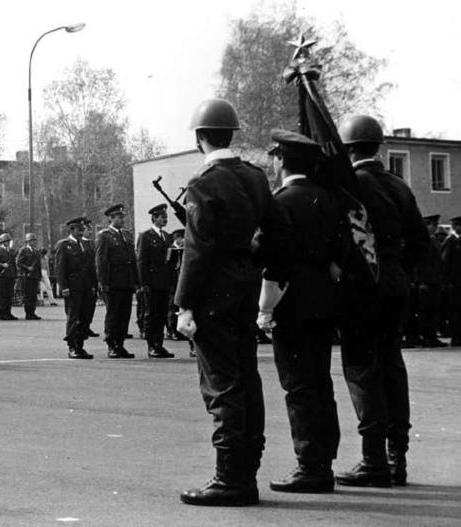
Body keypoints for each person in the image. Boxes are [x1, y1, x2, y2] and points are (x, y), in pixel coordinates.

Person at [175, 99, 289, 506]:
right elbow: (276, 234)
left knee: (222, 387)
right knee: (247, 381)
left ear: (199, 137)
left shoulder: (203, 183)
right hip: (245, 290)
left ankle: (229, 479)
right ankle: (246, 474)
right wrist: (252, 266)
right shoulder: (256, 178)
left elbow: (197, 249)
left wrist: (184, 304)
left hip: (213, 296)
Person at [335, 115, 427, 488]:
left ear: (346, 147)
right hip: (394, 282)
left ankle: (373, 459)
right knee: (392, 366)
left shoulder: (348, 185)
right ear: (378, 145)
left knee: (361, 369)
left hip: (361, 285)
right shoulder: (399, 185)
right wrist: (396, 269)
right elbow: (419, 241)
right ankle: (396, 458)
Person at [258, 129, 344, 493]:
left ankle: (311, 466)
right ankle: (324, 457)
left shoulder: (281, 202)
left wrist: (265, 308)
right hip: (325, 300)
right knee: (320, 381)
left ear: (280, 160)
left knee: (298, 386)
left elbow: (271, 258)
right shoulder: (328, 198)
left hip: (291, 303)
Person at [95, 204, 138, 359]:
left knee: (124, 314)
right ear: (110, 218)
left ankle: (120, 344)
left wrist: (135, 280)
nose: (122, 219)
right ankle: (112, 344)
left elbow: (131, 259)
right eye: (118, 217)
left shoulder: (126, 235)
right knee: (113, 314)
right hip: (113, 282)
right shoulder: (104, 236)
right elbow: (101, 261)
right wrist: (103, 282)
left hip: (126, 281)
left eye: (122, 217)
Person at [55, 217, 97, 359]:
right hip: (73, 287)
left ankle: (80, 345)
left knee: (85, 317)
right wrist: (63, 287)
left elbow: (91, 267)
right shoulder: (64, 245)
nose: (81, 233)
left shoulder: (86, 245)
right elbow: (60, 268)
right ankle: (72, 346)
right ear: (71, 230)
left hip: (86, 285)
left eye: (82, 230)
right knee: (74, 317)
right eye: (79, 230)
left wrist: (93, 285)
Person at [137, 204, 175, 358]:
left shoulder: (166, 236)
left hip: (163, 281)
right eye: (162, 217)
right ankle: (151, 345)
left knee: (161, 314)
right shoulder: (146, 236)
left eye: (165, 217)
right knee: (151, 314)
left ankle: (159, 344)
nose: (165, 220)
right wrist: (143, 282)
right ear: (154, 218)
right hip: (151, 282)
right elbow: (141, 261)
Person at [403, 215, 445, 348]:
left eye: (436, 225)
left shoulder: (433, 241)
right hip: (425, 281)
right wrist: (419, 281)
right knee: (424, 311)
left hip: (434, 280)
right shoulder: (422, 242)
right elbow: (420, 263)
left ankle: (430, 336)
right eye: (433, 225)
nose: (435, 228)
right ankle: (424, 336)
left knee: (432, 310)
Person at [442, 216, 461, 346]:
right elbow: (445, 262)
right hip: (455, 282)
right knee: (455, 310)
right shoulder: (451, 241)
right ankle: (456, 336)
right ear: (454, 226)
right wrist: (447, 280)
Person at [17, 233, 44, 320]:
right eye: (32, 240)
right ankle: (28, 313)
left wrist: (39, 276)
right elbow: (19, 263)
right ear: (28, 241)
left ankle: (33, 312)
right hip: (26, 276)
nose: (33, 242)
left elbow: (39, 265)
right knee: (27, 295)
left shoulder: (36, 251)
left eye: (34, 240)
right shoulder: (23, 250)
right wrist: (27, 267)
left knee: (33, 295)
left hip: (35, 276)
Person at [0, 233, 17, 320]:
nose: (8, 242)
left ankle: (8, 312)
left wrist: (15, 274)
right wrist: (2, 265)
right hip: (1, 276)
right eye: (6, 241)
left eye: (8, 241)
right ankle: (1, 313)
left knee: (9, 295)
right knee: (2, 295)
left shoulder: (10, 251)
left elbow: (13, 264)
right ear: (1, 242)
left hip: (10, 275)